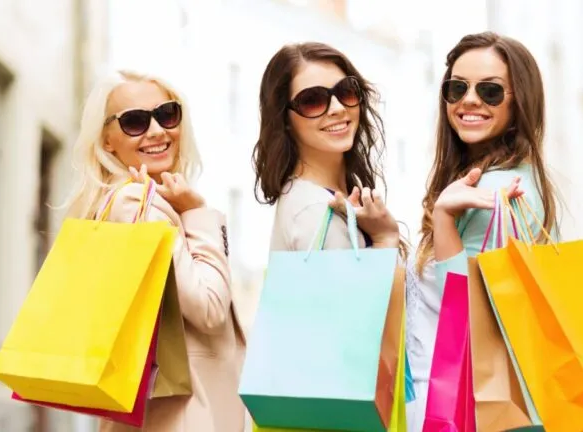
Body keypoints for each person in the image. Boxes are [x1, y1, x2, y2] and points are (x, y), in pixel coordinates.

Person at [63, 69, 246, 432]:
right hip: (184, 414)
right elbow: (209, 309)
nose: (157, 131)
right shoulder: (139, 206)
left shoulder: (126, 202)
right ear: (107, 140)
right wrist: (197, 213)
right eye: (134, 121)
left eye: (166, 114)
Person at [404, 31, 559, 431]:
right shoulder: (518, 182)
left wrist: (442, 221)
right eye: (457, 88)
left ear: (519, 101)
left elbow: (468, 316)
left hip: (468, 408)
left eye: (490, 91)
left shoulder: (496, 192)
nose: (469, 100)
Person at [252, 42, 400, 253]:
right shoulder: (315, 210)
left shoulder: (328, 197)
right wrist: (386, 239)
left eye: (346, 91)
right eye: (312, 101)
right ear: (284, 119)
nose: (337, 108)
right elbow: (362, 288)